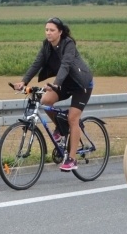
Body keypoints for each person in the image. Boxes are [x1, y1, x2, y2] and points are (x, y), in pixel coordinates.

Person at [12, 17, 93, 171]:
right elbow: (36, 64)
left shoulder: (68, 44)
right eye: (46, 30)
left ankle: (72, 159)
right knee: (45, 101)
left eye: (52, 30)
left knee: (73, 118)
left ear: (60, 32)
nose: (48, 33)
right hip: (64, 84)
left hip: (81, 84)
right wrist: (24, 82)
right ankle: (61, 129)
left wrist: (55, 84)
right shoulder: (47, 46)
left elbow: (65, 65)